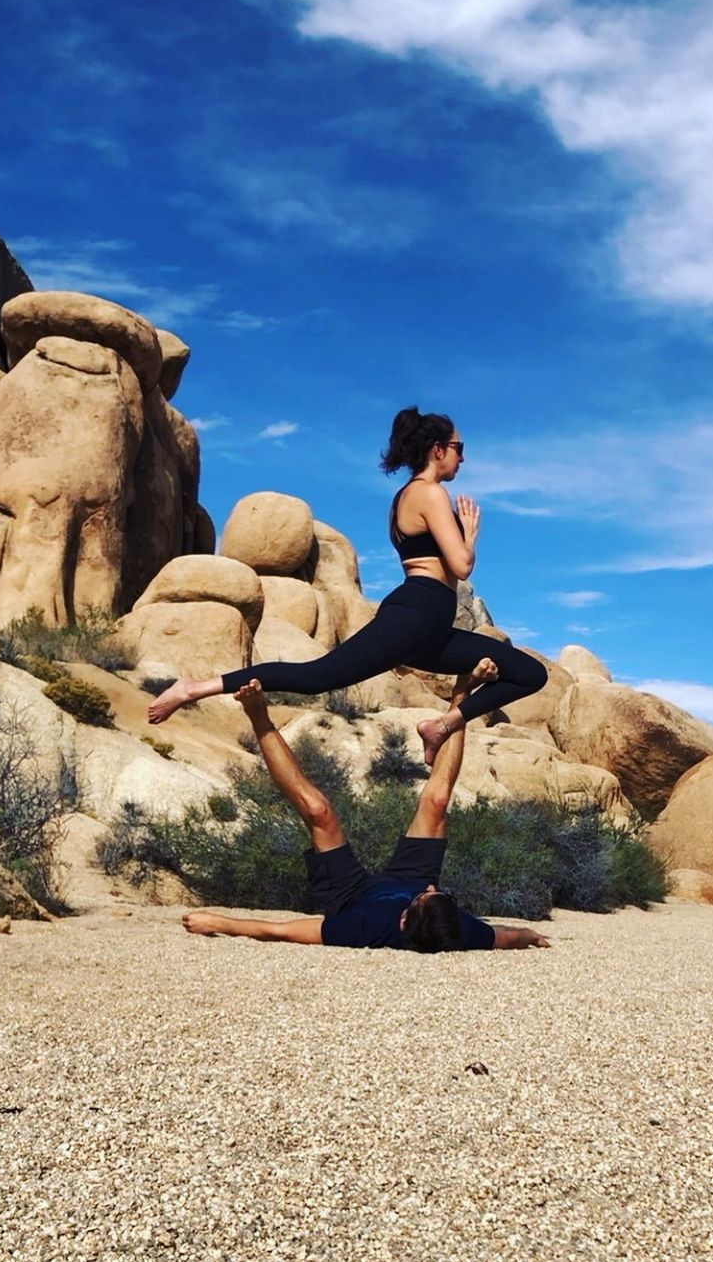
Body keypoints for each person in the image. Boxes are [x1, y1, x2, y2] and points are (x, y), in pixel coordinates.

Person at [149, 406, 548, 764]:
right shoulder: (429, 492)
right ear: (437, 449)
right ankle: (193, 688)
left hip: (429, 627)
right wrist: (471, 537)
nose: (464, 457)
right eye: (461, 447)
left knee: (529, 673)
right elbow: (461, 566)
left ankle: (441, 726)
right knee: (316, 677)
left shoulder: (405, 497)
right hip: (417, 614)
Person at [182, 662, 550, 952]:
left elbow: (282, 931)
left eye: (426, 896)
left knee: (318, 810)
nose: (432, 887)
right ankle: (461, 696)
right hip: (405, 877)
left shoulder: (364, 929)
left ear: (405, 920)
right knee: (436, 802)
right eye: (438, 893)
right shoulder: (459, 928)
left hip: (351, 898)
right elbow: (505, 936)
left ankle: (258, 716)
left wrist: (219, 923)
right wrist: (530, 935)